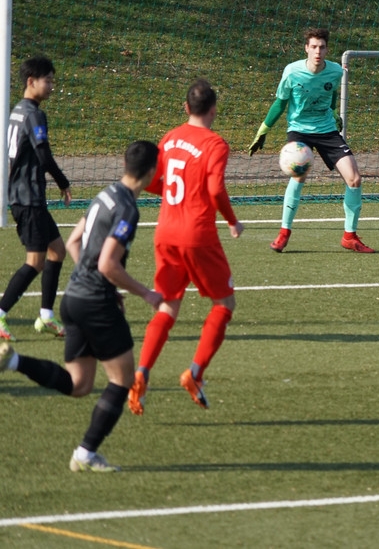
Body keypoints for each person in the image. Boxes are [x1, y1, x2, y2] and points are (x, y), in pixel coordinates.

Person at [0, 140, 163, 472]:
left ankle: (13, 360)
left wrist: (92, 279)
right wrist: (146, 294)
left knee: (79, 385)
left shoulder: (106, 194)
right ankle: (86, 453)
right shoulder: (128, 209)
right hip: (95, 304)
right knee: (122, 380)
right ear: (152, 172)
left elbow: (74, 241)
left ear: (125, 164)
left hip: (74, 298)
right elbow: (107, 264)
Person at [128, 79, 244, 415]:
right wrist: (232, 221)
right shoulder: (215, 144)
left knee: (167, 306)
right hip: (197, 235)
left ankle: (141, 374)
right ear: (214, 109)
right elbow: (215, 189)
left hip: (165, 232)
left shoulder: (170, 138)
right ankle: (195, 374)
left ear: (186, 108)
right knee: (224, 303)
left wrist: (171, 194)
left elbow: (153, 180)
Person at [248, 27, 373, 254]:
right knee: (299, 174)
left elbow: (331, 92)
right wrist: (263, 130)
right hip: (299, 130)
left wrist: (333, 112)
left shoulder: (335, 71)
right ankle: (284, 233)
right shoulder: (292, 72)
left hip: (326, 130)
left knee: (354, 179)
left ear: (327, 50)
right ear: (306, 48)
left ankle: (350, 236)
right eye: (313, 47)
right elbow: (280, 103)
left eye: (322, 47)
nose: (317, 51)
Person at [1, 55, 72, 341]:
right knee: (35, 261)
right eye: (48, 81)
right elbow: (43, 155)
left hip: (25, 197)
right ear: (31, 81)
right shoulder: (33, 115)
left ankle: (46, 316)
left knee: (57, 251)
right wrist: (63, 182)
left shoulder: (17, 111)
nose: (52, 86)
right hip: (28, 198)